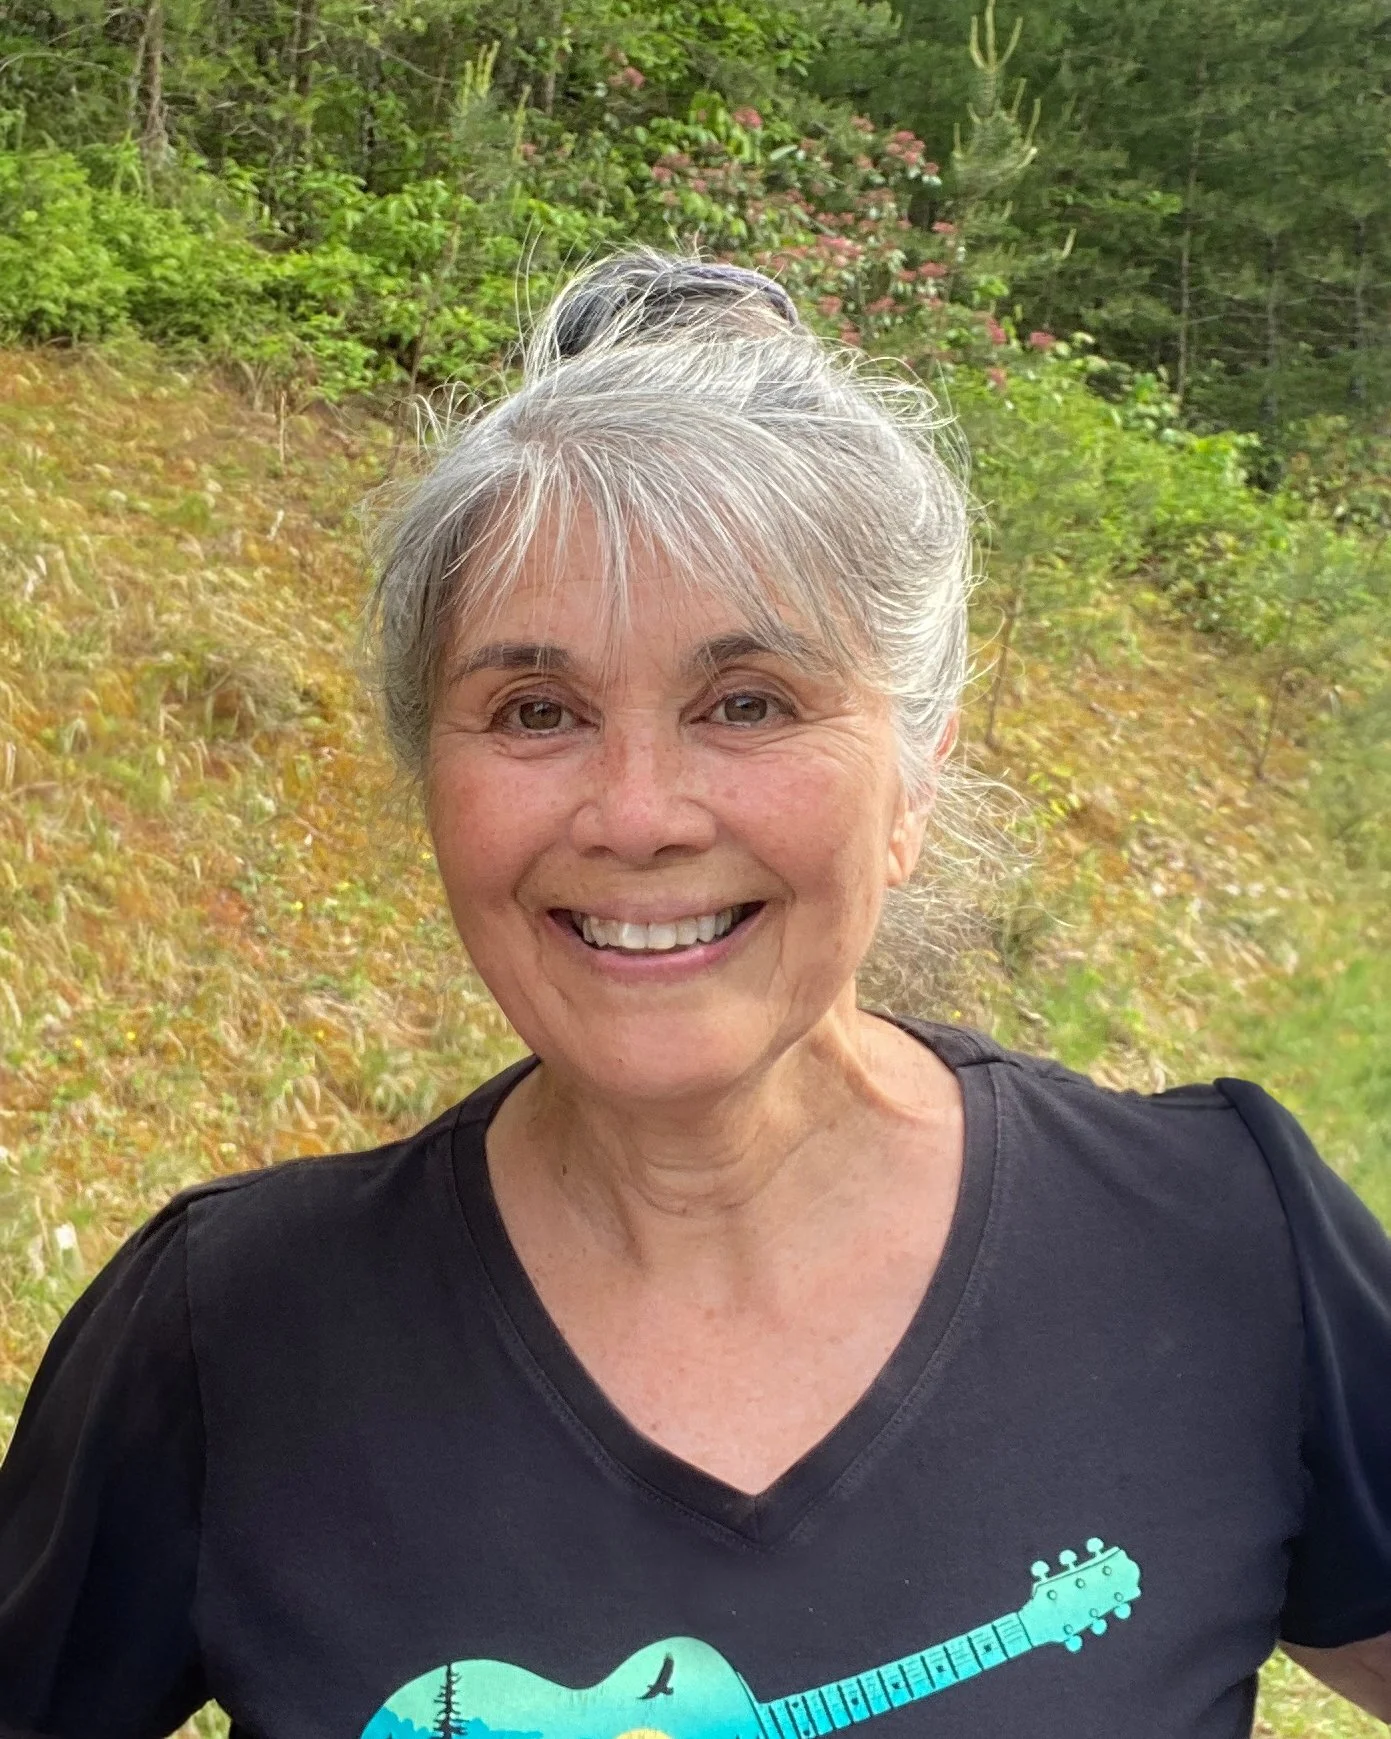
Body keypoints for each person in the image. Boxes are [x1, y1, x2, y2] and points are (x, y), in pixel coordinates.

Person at [1, 250, 1388, 1739]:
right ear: (431, 779)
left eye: (747, 703)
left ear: (914, 775)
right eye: (537, 710)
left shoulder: (1218, 1245)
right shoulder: (230, 1334)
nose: (638, 813)